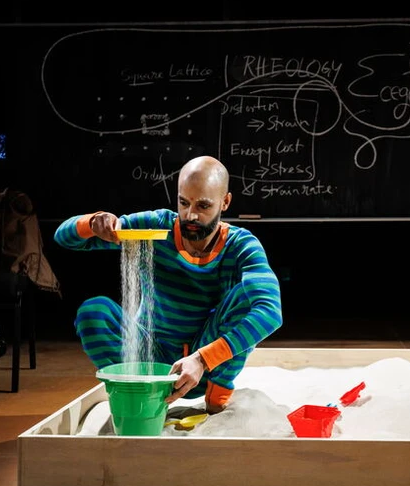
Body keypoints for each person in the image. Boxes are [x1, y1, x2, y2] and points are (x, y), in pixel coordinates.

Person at [54, 155, 283, 414]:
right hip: (148, 356)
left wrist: (202, 359)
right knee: (94, 311)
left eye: (204, 206)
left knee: (247, 298)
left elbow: (270, 312)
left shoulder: (241, 245)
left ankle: (216, 400)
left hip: (206, 368)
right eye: (183, 202)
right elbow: (64, 238)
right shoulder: (155, 227)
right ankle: (133, 394)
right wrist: (93, 222)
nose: (191, 215)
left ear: (225, 202)